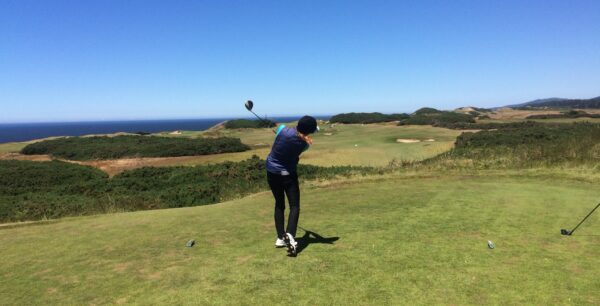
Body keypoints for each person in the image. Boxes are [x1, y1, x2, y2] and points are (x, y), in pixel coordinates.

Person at [266, 115, 318, 256]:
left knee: (279, 204)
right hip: (288, 174)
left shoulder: (282, 130)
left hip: (271, 171)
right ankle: (289, 234)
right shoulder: (305, 145)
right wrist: (305, 136)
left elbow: (281, 128)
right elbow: (301, 137)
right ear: (309, 132)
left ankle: (280, 237)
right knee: (294, 206)